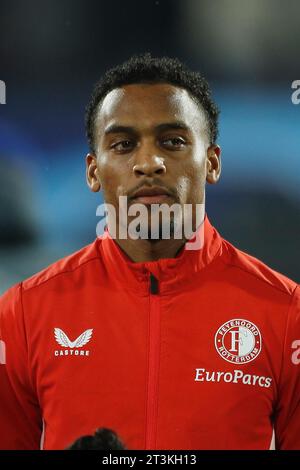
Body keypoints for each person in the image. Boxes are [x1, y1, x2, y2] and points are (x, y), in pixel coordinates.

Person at [0, 53, 299, 450]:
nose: (149, 162)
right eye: (123, 144)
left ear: (212, 163)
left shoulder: (285, 312)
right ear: (93, 171)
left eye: (173, 142)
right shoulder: (23, 314)